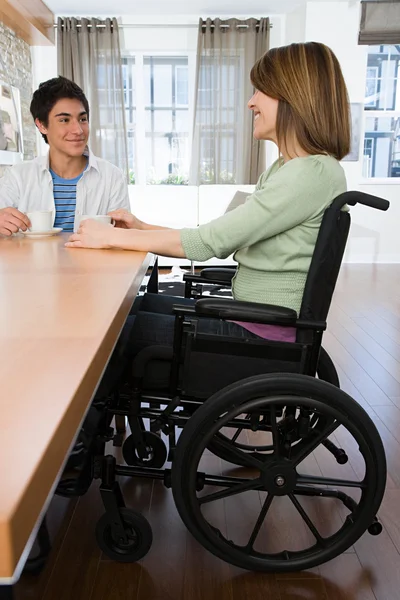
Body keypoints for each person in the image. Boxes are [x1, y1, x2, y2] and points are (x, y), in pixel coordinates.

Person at [65, 41, 350, 360]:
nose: (250, 102)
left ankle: (89, 408)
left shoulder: (308, 174)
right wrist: (140, 227)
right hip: (250, 319)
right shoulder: (293, 170)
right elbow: (220, 237)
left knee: (107, 330)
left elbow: (209, 243)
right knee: (133, 306)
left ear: (293, 95)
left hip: (257, 334)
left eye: (260, 91)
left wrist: (112, 237)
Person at [0, 76, 130, 236]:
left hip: (94, 262)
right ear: (41, 125)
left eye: (82, 119)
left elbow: (124, 239)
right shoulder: (18, 177)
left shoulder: (113, 178)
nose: (78, 130)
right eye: (64, 120)